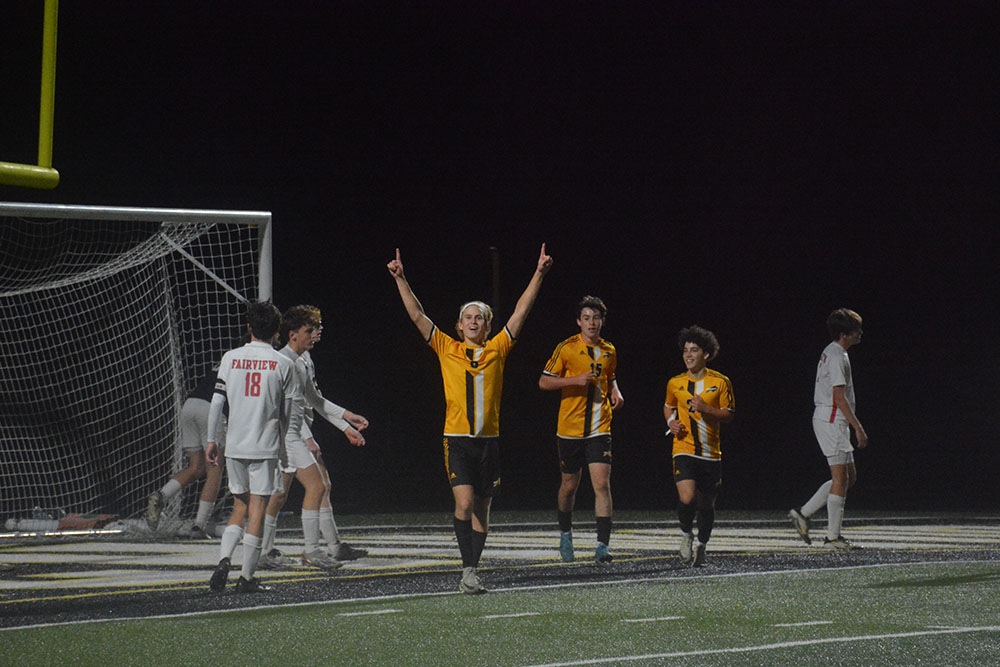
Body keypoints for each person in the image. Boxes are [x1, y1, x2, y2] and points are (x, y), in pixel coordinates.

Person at [387, 244, 553, 594]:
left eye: (479, 317)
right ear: (459, 325)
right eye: (468, 317)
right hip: (458, 440)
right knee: (463, 503)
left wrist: (538, 273)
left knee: (483, 513)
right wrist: (401, 279)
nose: (473, 322)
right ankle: (467, 570)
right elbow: (417, 316)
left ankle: (472, 570)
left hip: (488, 442)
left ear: (488, 325)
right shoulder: (447, 347)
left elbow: (522, 310)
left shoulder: (498, 348)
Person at [258, 304, 369, 570]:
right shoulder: (283, 362)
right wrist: (300, 438)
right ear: (292, 334)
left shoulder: (304, 359)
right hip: (285, 436)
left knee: (280, 495)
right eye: (309, 330)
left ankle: (265, 551)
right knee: (317, 487)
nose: (315, 335)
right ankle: (312, 550)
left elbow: (314, 400)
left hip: (292, 434)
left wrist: (346, 419)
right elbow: (280, 408)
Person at [206, 301, 302, 593]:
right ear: (277, 332)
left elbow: (217, 403)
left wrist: (213, 439)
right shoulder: (284, 364)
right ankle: (246, 577)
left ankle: (224, 558)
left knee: (240, 506)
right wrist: (284, 447)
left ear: (249, 327)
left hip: (235, 444)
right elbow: (287, 415)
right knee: (258, 509)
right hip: (265, 445)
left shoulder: (230, 357)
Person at [538, 296, 623, 564]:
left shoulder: (609, 349)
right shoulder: (567, 348)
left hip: (599, 427)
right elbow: (543, 382)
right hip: (570, 429)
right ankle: (565, 534)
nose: (591, 323)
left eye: (596, 318)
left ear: (602, 322)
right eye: (586, 318)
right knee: (569, 485)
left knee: (601, 484)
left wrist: (615, 390)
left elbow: (610, 376)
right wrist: (574, 380)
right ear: (579, 322)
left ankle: (602, 546)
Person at [789, 308, 868, 549]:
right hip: (832, 420)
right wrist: (858, 428)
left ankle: (803, 514)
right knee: (840, 477)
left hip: (832, 420)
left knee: (848, 477)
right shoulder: (836, 356)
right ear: (844, 334)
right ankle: (833, 537)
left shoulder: (834, 351)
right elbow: (839, 397)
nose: (860, 333)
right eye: (856, 330)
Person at [664, 326, 735, 567]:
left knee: (706, 505)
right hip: (683, 448)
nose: (688, 355)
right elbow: (668, 406)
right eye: (685, 350)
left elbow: (728, 414)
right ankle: (686, 535)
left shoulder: (720, 382)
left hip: (711, 454)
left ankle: (702, 546)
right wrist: (671, 421)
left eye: (694, 350)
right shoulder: (675, 382)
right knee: (687, 498)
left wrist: (707, 409)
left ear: (706, 354)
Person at [146, 368, 227, 536]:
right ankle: (199, 526)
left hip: (190, 405)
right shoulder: (248, 363)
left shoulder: (227, 359)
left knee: (196, 467)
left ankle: (161, 496)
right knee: (215, 470)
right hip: (210, 410)